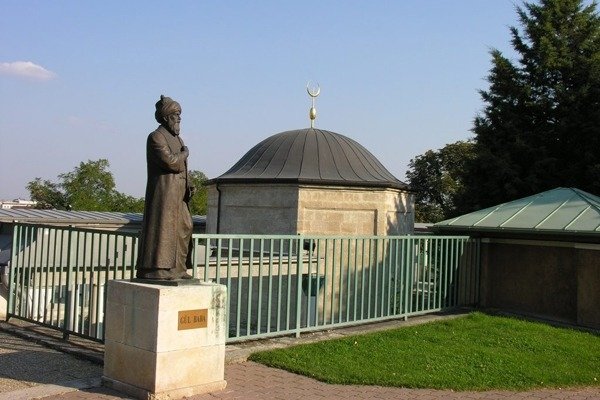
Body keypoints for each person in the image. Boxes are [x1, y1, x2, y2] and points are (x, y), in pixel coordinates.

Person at [136, 95, 194, 280]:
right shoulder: (156, 137)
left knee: (185, 227)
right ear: (166, 117)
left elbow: (182, 168)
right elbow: (170, 162)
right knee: (163, 229)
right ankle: (159, 269)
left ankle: (179, 268)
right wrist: (184, 154)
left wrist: (189, 183)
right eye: (176, 114)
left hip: (179, 194)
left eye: (179, 115)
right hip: (165, 193)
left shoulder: (177, 139)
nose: (179, 118)